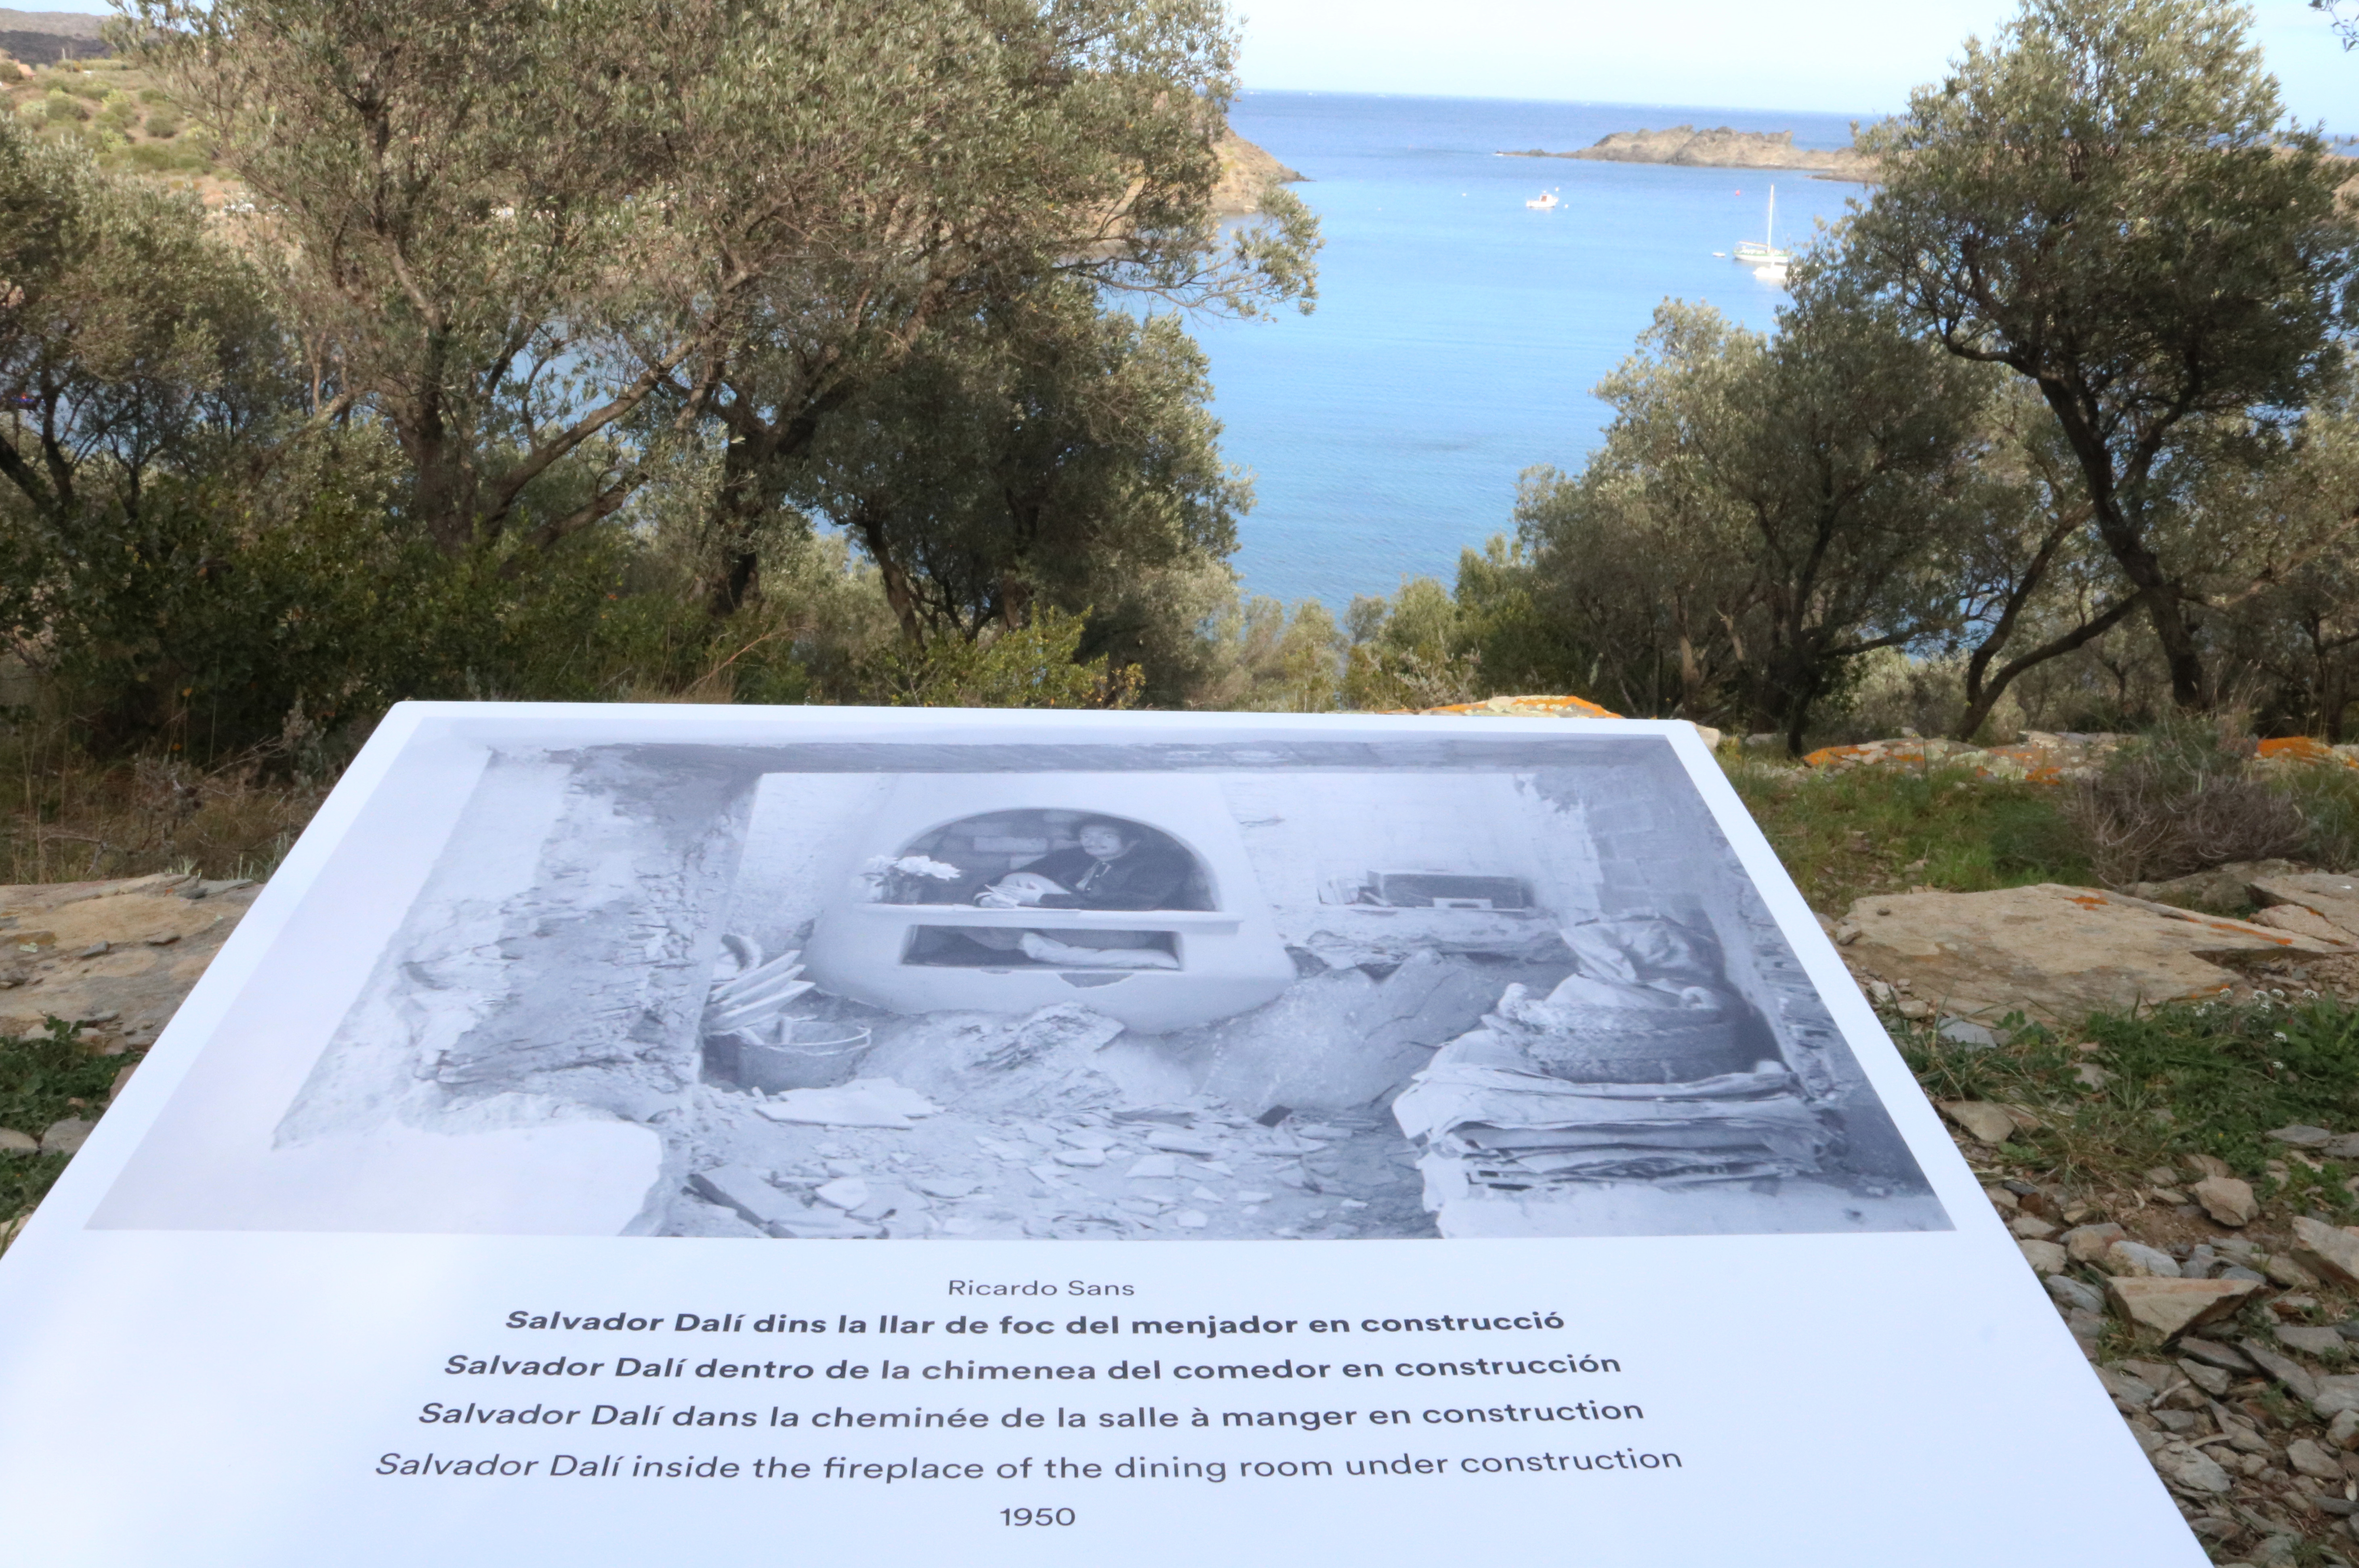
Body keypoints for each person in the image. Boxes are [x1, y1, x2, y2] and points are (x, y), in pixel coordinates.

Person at [970, 819, 1189, 968]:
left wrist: (1040, 899)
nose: (1093, 842)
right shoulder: (1077, 857)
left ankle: (1032, 945)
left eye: (1107, 836)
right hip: (1072, 922)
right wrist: (986, 898)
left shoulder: (1160, 865)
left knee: (980, 930)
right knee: (1016, 881)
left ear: (1132, 841)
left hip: (1122, 932)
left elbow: (1128, 904)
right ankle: (1034, 943)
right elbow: (1003, 880)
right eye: (1087, 836)